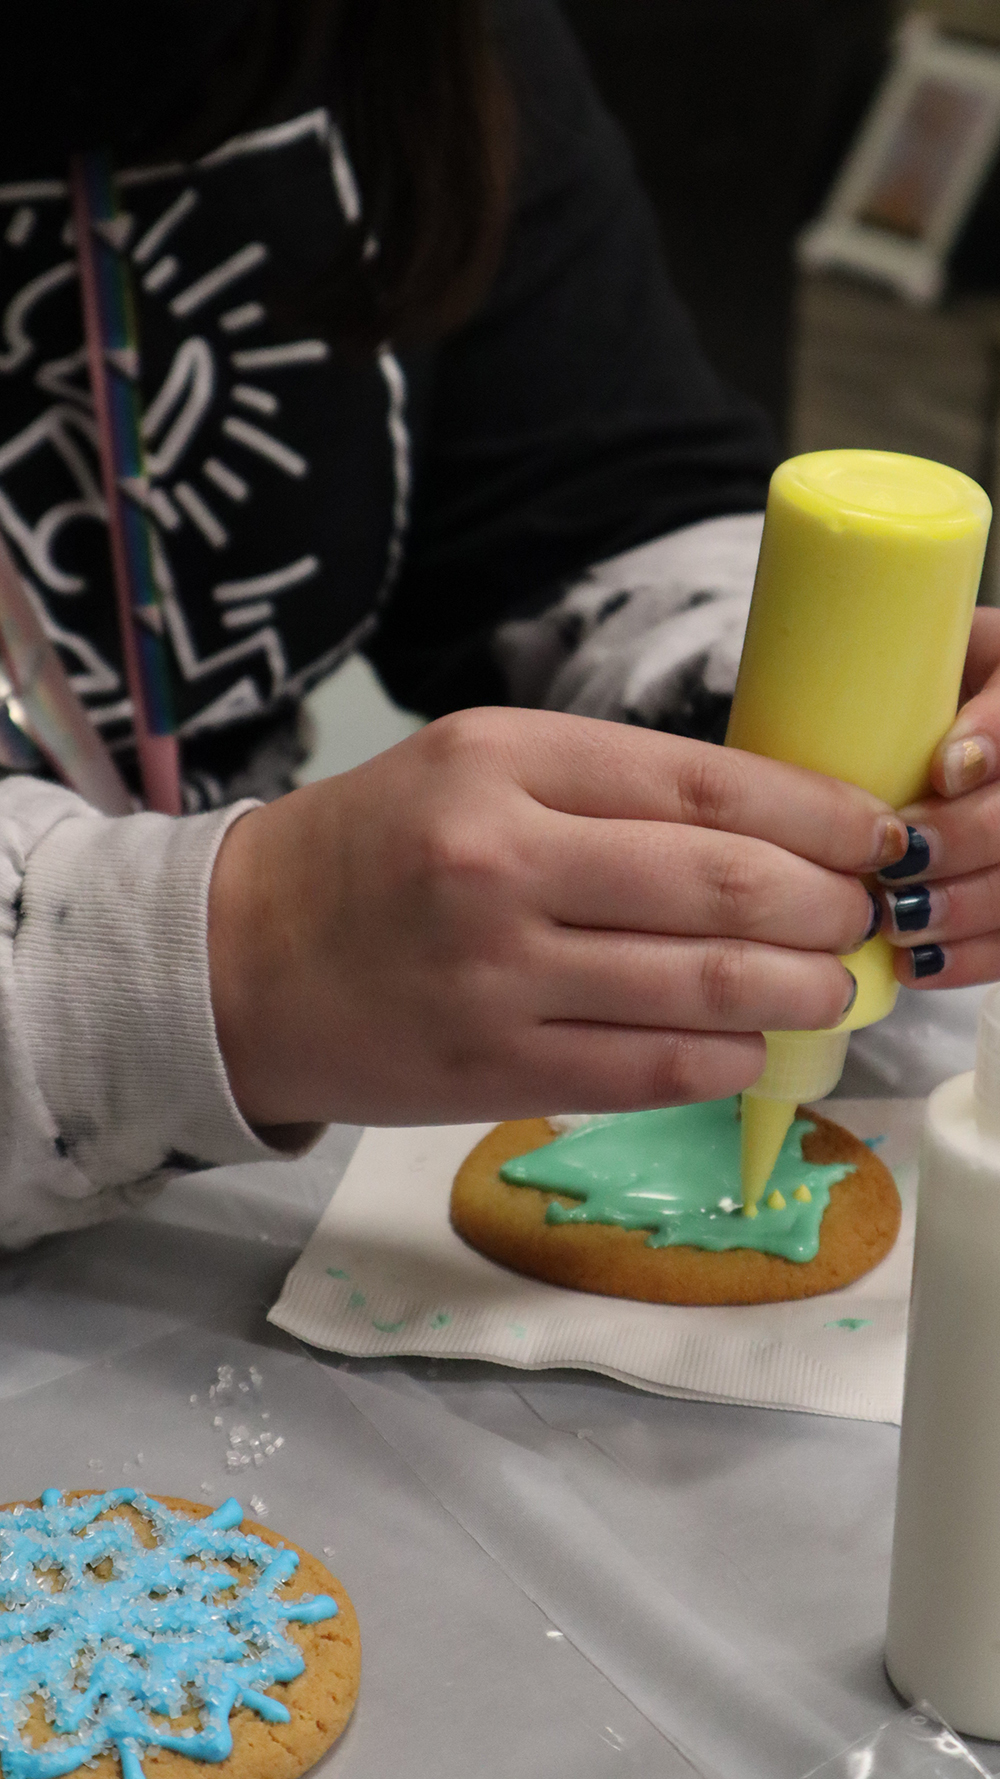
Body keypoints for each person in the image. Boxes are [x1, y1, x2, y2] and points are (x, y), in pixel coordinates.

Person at [0, 0, 997, 1248]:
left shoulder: (400, 44)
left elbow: (595, 500)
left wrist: (790, 721)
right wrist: (226, 958)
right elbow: (227, 962)